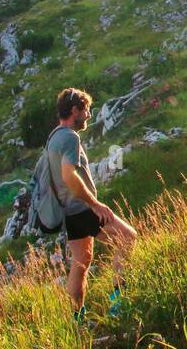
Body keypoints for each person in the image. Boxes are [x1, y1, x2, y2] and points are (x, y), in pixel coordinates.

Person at [45, 87, 137, 314]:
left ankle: (77, 318)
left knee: (81, 262)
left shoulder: (53, 136)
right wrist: (95, 204)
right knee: (128, 238)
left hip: (67, 210)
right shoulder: (69, 137)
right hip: (82, 208)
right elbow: (68, 175)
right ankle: (119, 304)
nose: (89, 115)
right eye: (86, 110)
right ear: (74, 110)